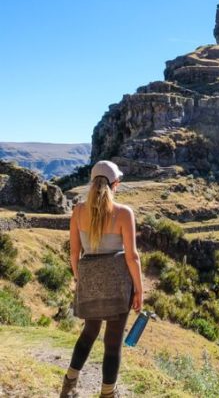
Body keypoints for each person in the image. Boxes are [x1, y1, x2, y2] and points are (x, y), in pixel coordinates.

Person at [59, 160, 143, 398]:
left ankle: (69, 384)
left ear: (92, 182)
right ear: (115, 184)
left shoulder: (77, 211)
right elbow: (132, 257)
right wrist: (139, 290)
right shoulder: (124, 213)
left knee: (88, 333)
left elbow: (74, 254)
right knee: (113, 342)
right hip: (118, 285)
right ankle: (107, 394)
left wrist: (81, 280)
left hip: (90, 281)